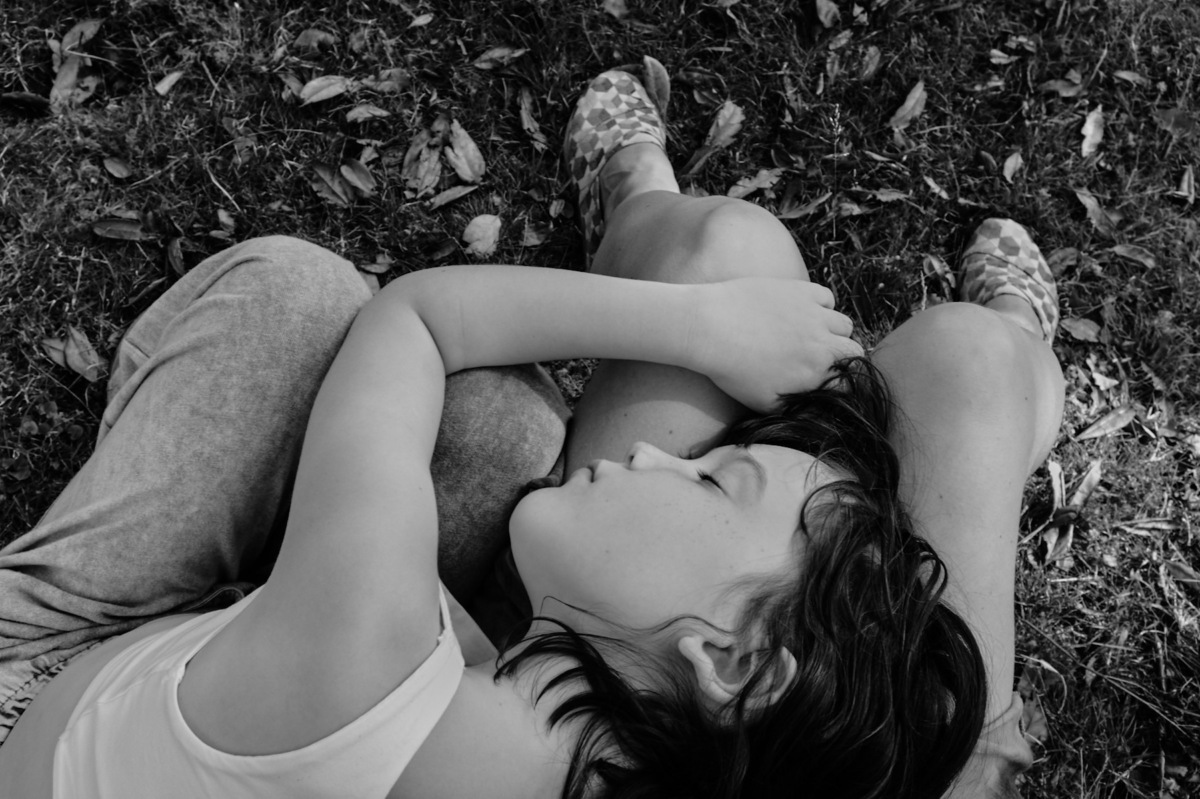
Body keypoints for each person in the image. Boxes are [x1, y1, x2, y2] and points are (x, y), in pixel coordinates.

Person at [0, 66, 1063, 799]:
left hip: (53, 695)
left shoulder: (366, 632)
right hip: (272, 705)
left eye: (713, 479)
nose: (657, 457)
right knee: (506, 427)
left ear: (731, 660)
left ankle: (661, 230)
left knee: (312, 303)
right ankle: (1009, 359)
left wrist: (699, 326)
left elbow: (418, 322)